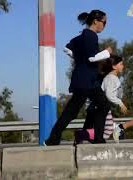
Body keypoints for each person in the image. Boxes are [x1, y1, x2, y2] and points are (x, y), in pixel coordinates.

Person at [44, 10, 112, 145]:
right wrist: (107, 53)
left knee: (100, 105)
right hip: (86, 80)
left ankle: (96, 138)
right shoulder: (91, 36)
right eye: (104, 22)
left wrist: (78, 58)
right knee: (76, 111)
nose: (105, 25)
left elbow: (67, 48)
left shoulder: (81, 36)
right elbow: (92, 58)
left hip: (85, 80)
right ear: (96, 21)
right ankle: (53, 139)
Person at [74, 55, 128, 144]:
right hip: (100, 107)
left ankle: (83, 136)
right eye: (121, 64)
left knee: (92, 127)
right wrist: (120, 103)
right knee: (108, 129)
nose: (123, 66)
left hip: (96, 106)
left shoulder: (110, 77)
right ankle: (82, 135)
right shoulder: (111, 78)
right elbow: (109, 95)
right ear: (114, 66)